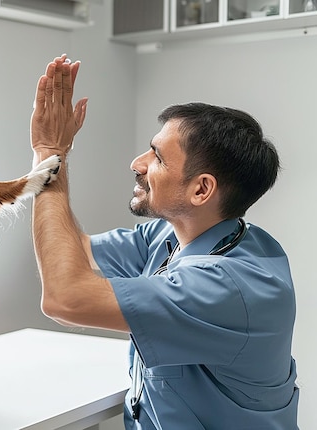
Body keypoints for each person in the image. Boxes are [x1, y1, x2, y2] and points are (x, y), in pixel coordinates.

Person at [29, 55, 299, 429]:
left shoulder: (229, 287)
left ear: (201, 189)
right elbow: (69, 246)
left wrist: (48, 155)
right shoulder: (174, 235)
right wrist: (60, 157)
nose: (137, 163)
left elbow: (64, 297)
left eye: (157, 157)